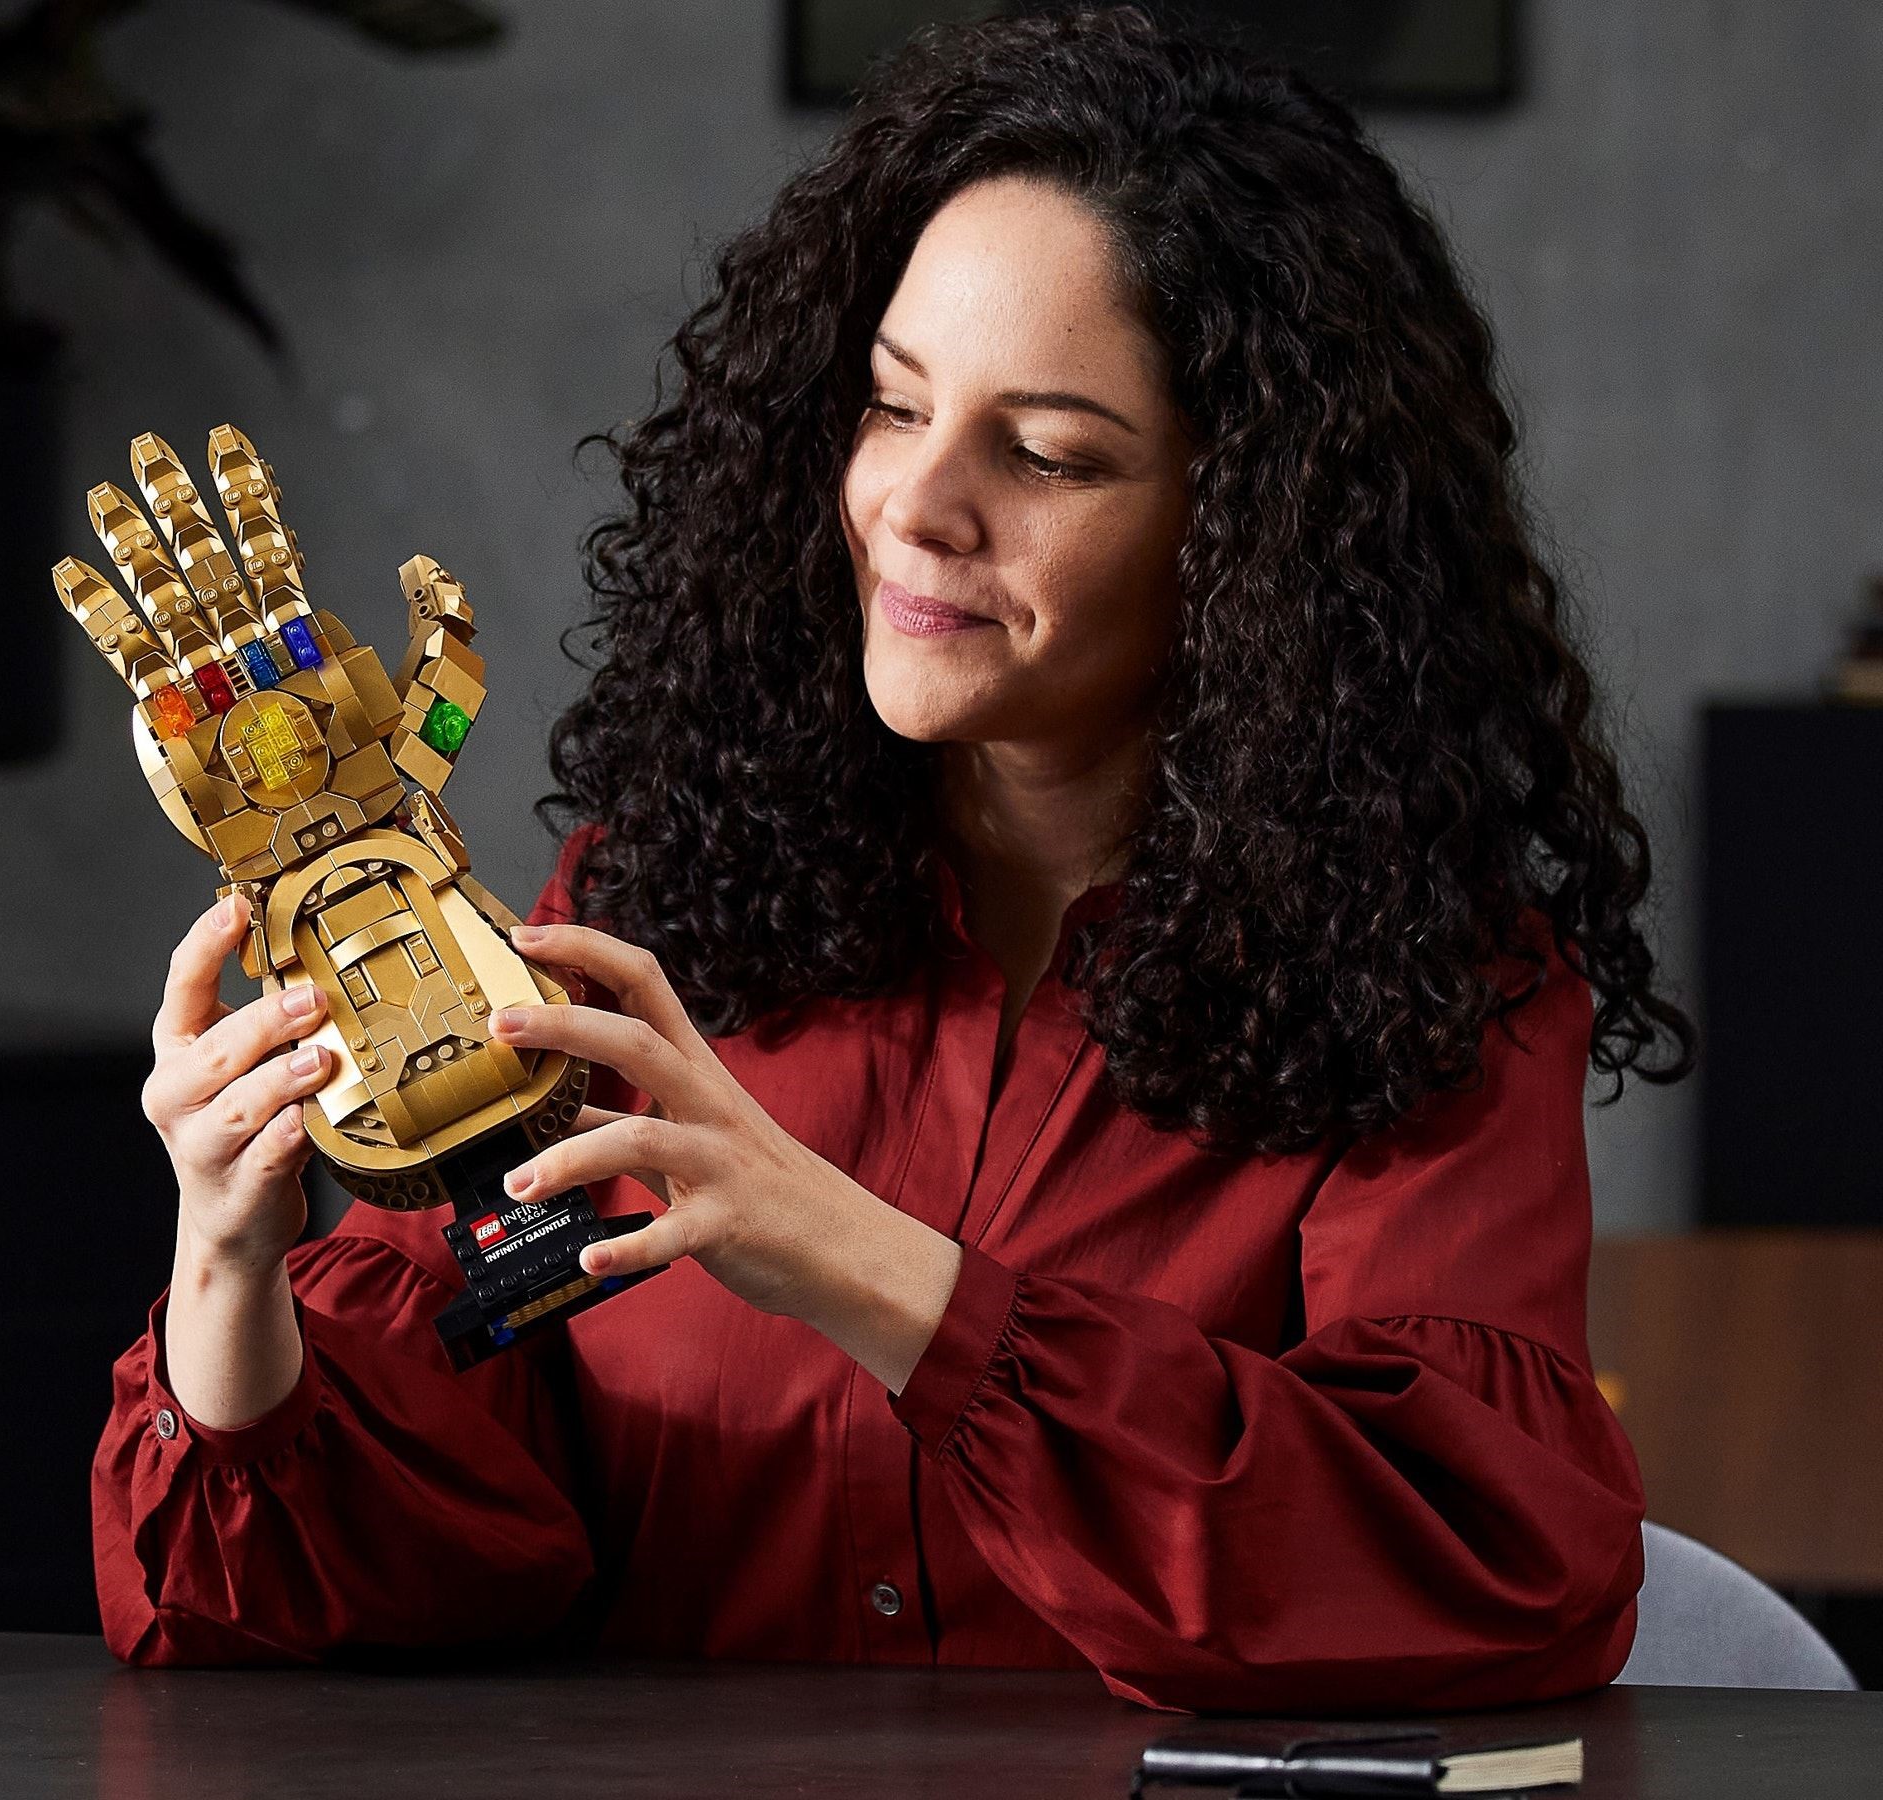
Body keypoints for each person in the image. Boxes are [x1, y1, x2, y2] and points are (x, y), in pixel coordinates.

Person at [90, 7, 1695, 1712]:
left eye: (1047, 453)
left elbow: (1479, 1566)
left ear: (1254, 529)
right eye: (890, 405)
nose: (916, 507)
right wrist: (232, 1270)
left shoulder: (1434, 990)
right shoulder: (654, 907)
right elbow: (432, 1542)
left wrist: (878, 1276)